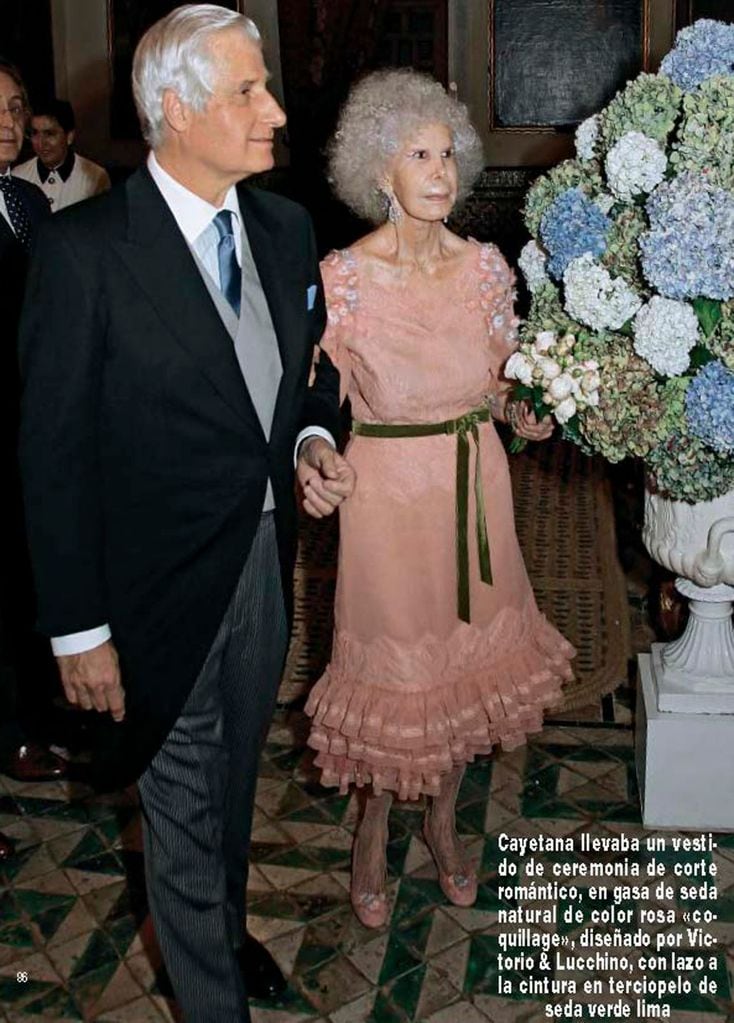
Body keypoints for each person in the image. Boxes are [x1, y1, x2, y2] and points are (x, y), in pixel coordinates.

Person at [18, 6, 353, 1021]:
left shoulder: (287, 228)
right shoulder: (84, 256)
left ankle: (218, 924)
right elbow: (51, 458)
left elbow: (309, 378)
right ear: (173, 109)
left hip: (259, 573)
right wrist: (80, 631)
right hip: (147, 592)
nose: (276, 111)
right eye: (248, 90)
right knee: (176, 802)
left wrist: (311, 441)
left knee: (229, 786)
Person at [305, 69, 575, 928]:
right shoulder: (343, 277)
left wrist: (527, 410)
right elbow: (314, 396)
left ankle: (444, 824)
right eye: (418, 153)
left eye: (448, 151)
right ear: (378, 171)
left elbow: (501, 388)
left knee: (463, 676)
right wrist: (314, 451)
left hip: (475, 489)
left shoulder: (485, 268)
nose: (440, 169)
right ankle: (375, 823)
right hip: (385, 502)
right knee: (394, 677)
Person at [0, 59, 66, 811]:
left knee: (22, 589)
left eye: (18, 106)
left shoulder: (27, 202)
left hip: (26, 432)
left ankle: (23, 730)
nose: (10, 121)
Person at [13, 98, 110, 211]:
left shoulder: (96, 178)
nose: (40, 143)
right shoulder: (18, 176)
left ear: (69, 137)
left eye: (49, 134)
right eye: (35, 133)